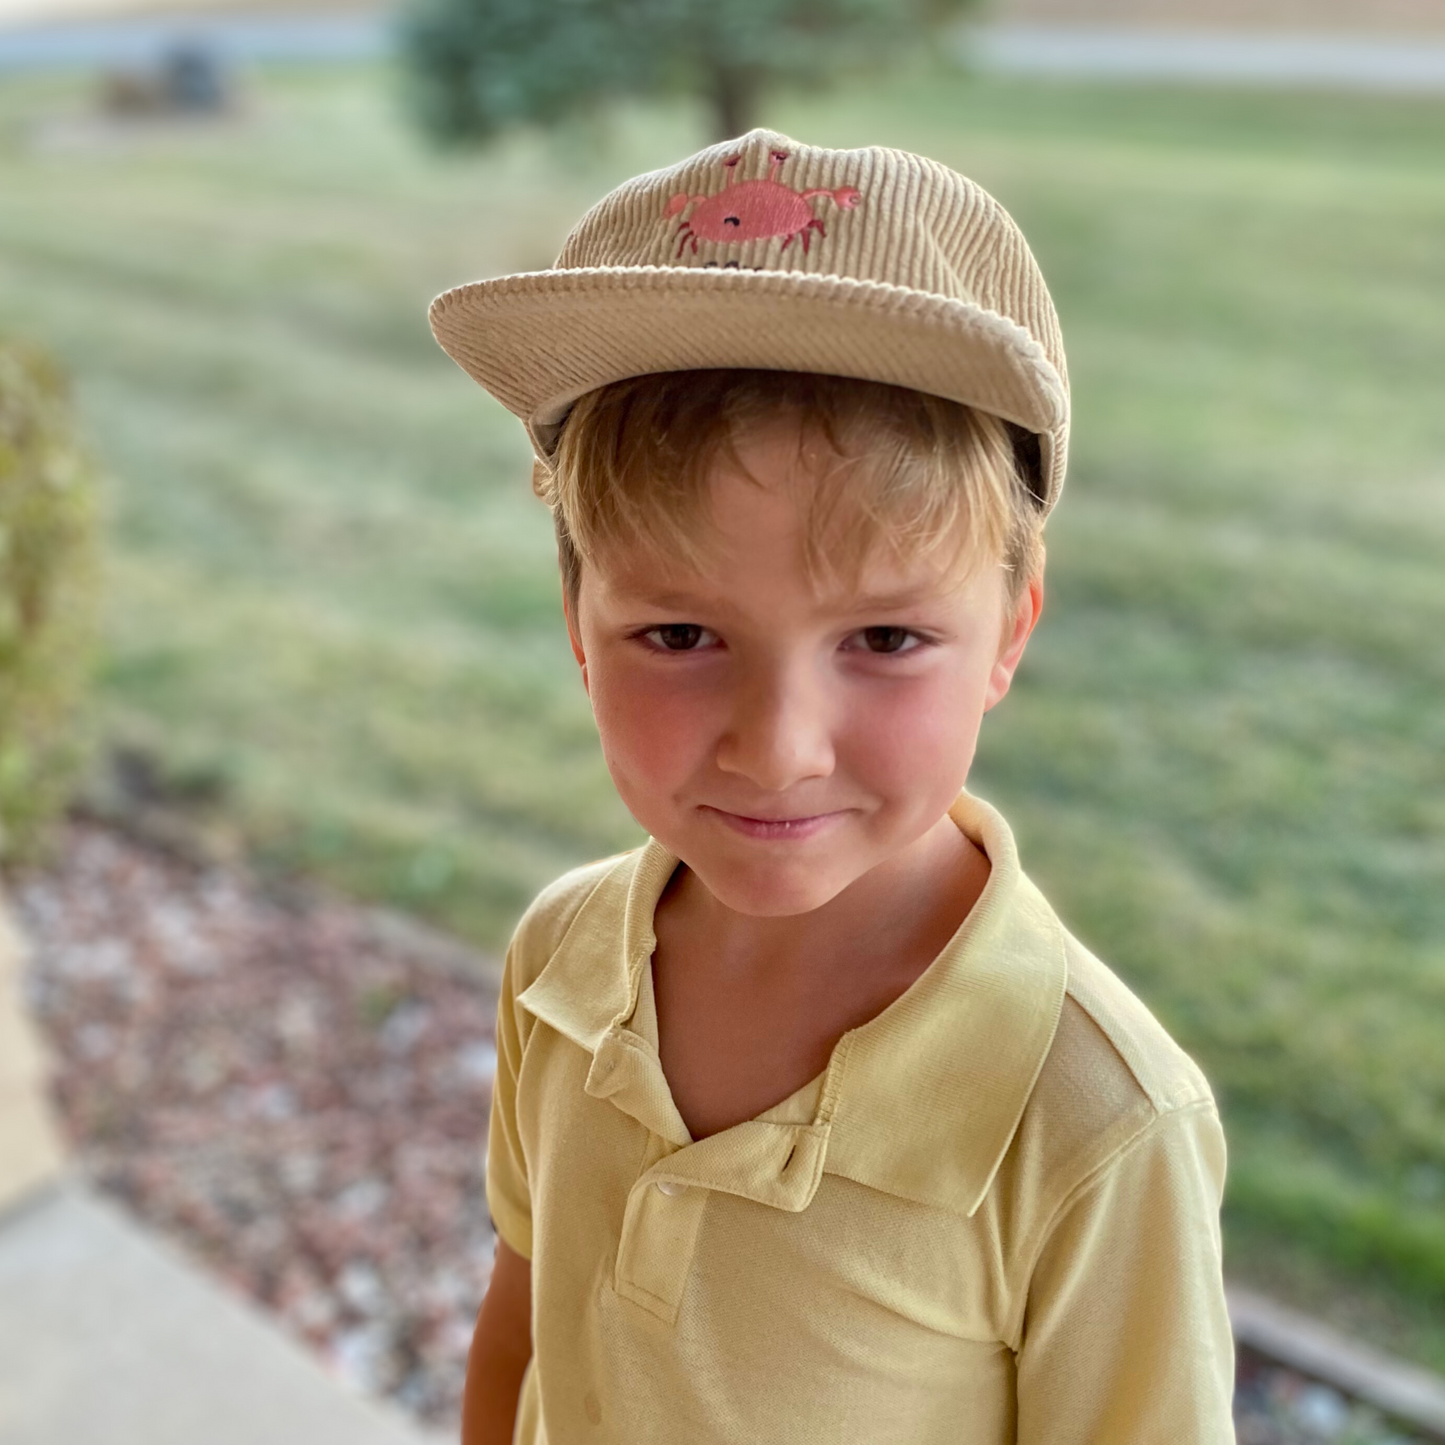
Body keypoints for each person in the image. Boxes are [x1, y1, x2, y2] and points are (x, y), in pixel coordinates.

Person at [429, 129, 1236, 1445]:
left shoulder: (1095, 1128)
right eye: (680, 637)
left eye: (885, 640)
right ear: (578, 622)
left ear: (1011, 635)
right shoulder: (562, 961)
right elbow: (523, 1320)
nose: (780, 747)